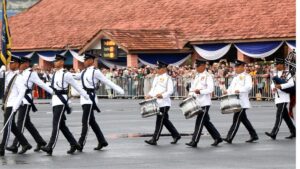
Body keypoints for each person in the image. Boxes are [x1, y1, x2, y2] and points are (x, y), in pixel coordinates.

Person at [73, 53, 124, 151]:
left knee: (85, 121)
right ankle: (102, 141)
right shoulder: (84, 71)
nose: (84, 62)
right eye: (84, 60)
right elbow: (76, 76)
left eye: (86, 60)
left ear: (91, 61)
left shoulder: (95, 72)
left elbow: (107, 81)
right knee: (92, 122)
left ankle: (80, 143)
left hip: (90, 98)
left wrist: (119, 90)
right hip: (84, 98)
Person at [41, 54, 89, 156]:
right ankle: (74, 144)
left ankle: (50, 146)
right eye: (55, 61)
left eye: (57, 61)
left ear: (62, 62)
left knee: (56, 124)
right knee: (62, 125)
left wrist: (86, 96)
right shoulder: (55, 73)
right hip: (55, 101)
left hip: (61, 102)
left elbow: (76, 86)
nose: (55, 62)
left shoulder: (65, 74)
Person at [6, 57, 53, 153]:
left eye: (22, 63)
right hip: (18, 100)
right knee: (27, 123)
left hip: (26, 100)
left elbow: (41, 84)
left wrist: (54, 92)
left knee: (20, 122)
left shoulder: (31, 73)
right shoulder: (18, 73)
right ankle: (41, 142)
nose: (20, 65)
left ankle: (16, 145)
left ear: (27, 64)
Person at [186, 59, 223, 147]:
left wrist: (200, 92)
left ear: (202, 66)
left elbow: (211, 89)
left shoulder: (208, 76)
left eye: (197, 66)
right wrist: (190, 95)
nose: (196, 68)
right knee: (206, 122)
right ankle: (217, 137)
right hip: (197, 102)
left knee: (199, 122)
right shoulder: (197, 76)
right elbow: (192, 88)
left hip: (204, 102)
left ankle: (194, 141)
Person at [0, 55, 32, 156]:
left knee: (7, 126)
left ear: (17, 64)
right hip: (6, 103)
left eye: (12, 62)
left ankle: (2, 147)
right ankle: (25, 143)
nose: (10, 64)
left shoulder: (19, 77)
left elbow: (22, 92)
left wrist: (16, 106)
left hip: (12, 104)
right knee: (12, 126)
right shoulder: (7, 74)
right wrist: (1, 72)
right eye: (9, 62)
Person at [144, 61, 181, 145]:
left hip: (164, 103)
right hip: (156, 102)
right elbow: (154, 89)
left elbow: (170, 90)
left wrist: (163, 95)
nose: (157, 69)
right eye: (157, 68)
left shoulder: (168, 78)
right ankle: (176, 135)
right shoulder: (156, 77)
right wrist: (149, 95)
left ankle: (154, 139)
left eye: (159, 68)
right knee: (165, 121)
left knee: (159, 121)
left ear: (164, 68)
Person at [223, 60, 259, 144]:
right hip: (236, 101)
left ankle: (229, 137)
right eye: (235, 67)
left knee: (236, 120)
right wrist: (227, 91)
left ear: (242, 67)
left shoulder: (247, 76)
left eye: (237, 67)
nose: (235, 68)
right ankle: (254, 135)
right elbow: (231, 87)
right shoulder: (236, 77)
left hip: (242, 102)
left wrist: (239, 90)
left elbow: (249, 86)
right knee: (244, 120)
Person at [265, 58, 295, 140]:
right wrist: (273, 88)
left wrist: (281, 86)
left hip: (284, 97)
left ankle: (274, 133)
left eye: (277, 64)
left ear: (281, 64)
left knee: (279, 115)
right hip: (277, 98)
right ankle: (294, 131)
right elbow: (272, 83)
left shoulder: (287, 73)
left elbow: (292, 83)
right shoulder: (275, 73)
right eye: (275, 64)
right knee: (285, 116)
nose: (276, 66)